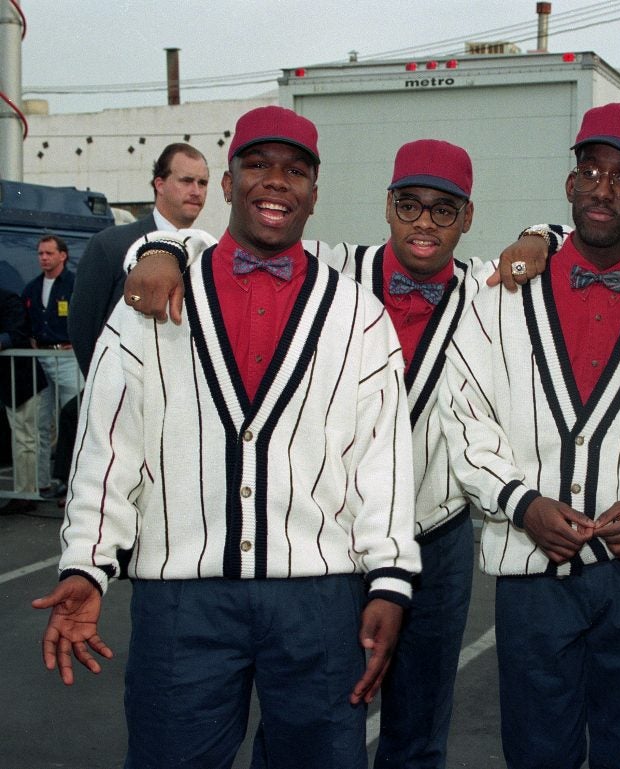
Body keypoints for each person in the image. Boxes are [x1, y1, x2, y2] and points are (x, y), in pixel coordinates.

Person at [121, 137, 563, 769]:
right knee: (306, 723)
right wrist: (157, 247)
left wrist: (542, 234)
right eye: (410, 205)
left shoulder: (489, 295)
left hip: (434, 543)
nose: (424, 223)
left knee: (418, 721)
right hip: (326, 549)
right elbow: (211, 244)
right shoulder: (335, 269)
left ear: (468, 218)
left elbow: (590, 232)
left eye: (445, 210)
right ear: (387, 206)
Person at [32, 105, 421, 769]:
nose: (276, 182)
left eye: (295, 171)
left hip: (318, 596)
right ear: (228, 183)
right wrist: (87, 562)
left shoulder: (358, 315)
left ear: (315, 193)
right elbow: (110, 445)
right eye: (257, 166)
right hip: (183, 595)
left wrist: (389, 579)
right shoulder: (151, 305)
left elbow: (380, 461)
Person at [438, 102, 620, 769]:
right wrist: (520, 501)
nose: (603, 187)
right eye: (591, 170)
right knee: (537, 751)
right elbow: (465, 416)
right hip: (529, 572)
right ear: (570, 184)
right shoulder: (501, 298)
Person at [68, 142, 209, 376]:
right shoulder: (111, 245)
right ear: (160, 185)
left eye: (202, 183)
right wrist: (107, 390)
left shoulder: (206, 253)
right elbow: (83, 327)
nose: (196, 191)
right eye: (186, 181)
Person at [22, 235, 81, 497]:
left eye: (48, 253)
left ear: (62, 255)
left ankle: (74, 485)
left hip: (68, 359)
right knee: (41, 423)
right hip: (41, 359)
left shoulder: (74, 283)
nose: (43, 258)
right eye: (40, 253)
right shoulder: (33, 288)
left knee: (75, 420)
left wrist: (78, 341)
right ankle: (41, 483)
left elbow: (87, 315)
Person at [0, 285, 47, 512]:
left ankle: (26, 493)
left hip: (20, 379)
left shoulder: (9, 297)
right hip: (10, 381)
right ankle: (25, 492)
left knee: (25, 438)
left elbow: (18, 334)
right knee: (24, 438)